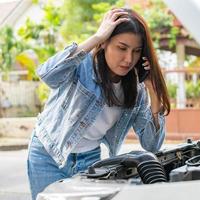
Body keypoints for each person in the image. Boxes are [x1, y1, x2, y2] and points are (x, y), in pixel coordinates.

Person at [27, 8, 170, 200]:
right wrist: (97, 36)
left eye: (136, 51)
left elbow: (152, 145)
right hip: (48, 154)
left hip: (89, 160)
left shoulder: (136, 89)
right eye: (122, 48)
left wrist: (153, 91)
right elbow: (48, 75)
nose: (129, 59)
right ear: (105, 43)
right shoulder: (83, 64)